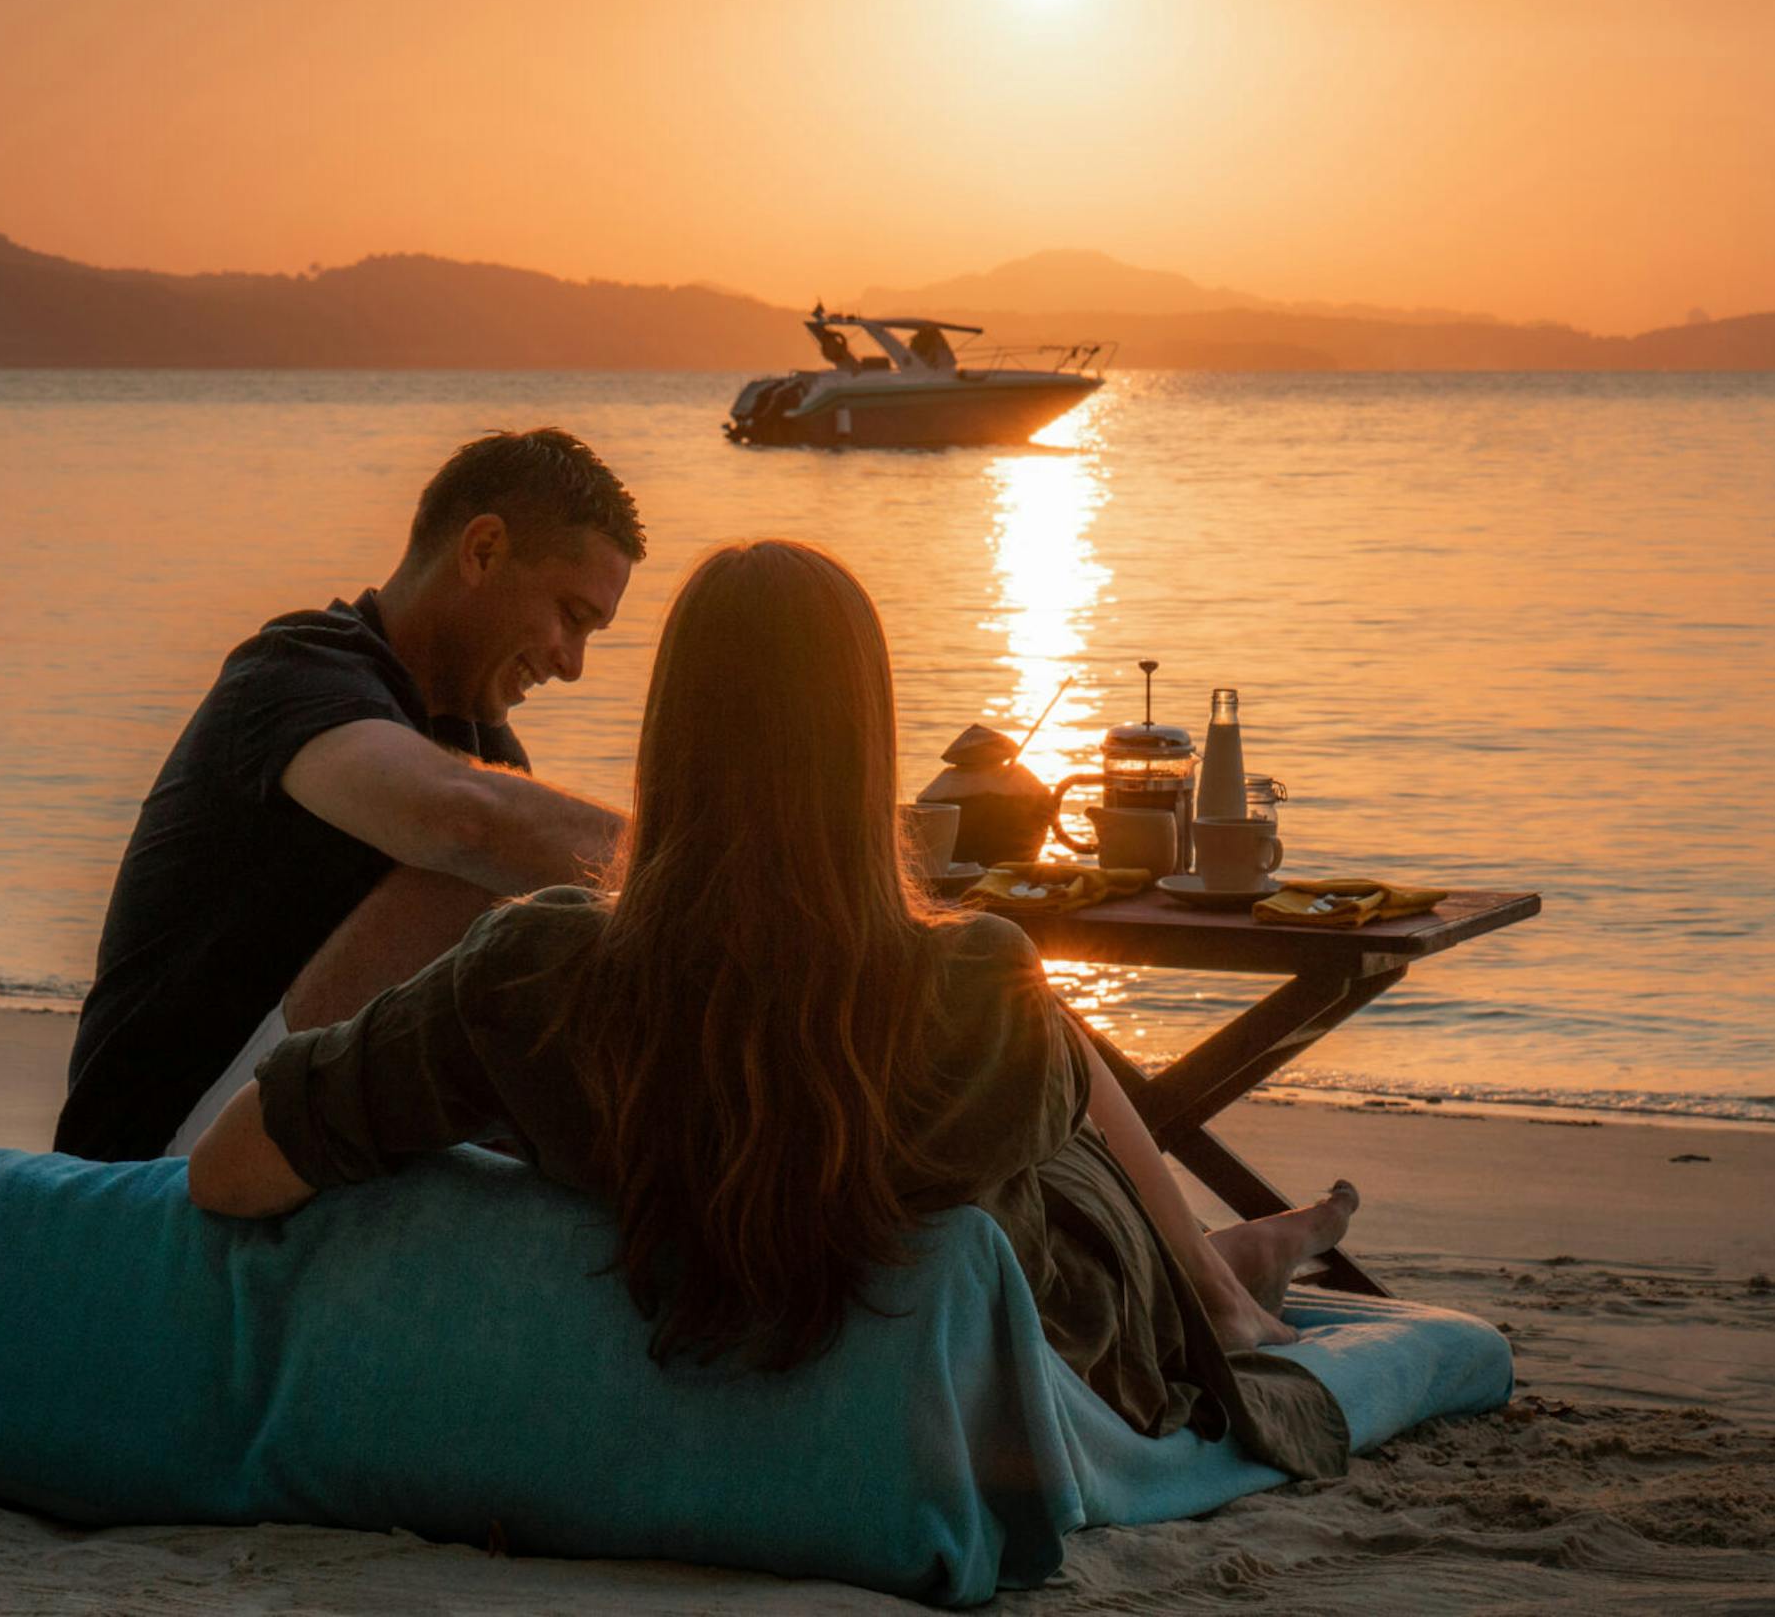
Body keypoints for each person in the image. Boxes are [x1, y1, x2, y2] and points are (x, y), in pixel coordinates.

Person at [186, 540, 1361, 1477]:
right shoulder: (975, 990)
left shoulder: (527, 976)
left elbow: (227, 1174)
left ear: (670, 740)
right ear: (868, 746)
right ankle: (1225, 1287)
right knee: (1038, 1047)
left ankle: (1227, 1268)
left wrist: (480, 1167)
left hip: (685, 1172)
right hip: (1041, 1345)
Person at [53, 427, 645, 1162]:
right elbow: (459, 820)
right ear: (483, 550)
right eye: (572, 616)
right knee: (487, 881)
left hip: (293, 1120)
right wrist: (708, 864)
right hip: (156, 1160)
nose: (573, 663)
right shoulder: (294, 672)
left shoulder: (487, 751)